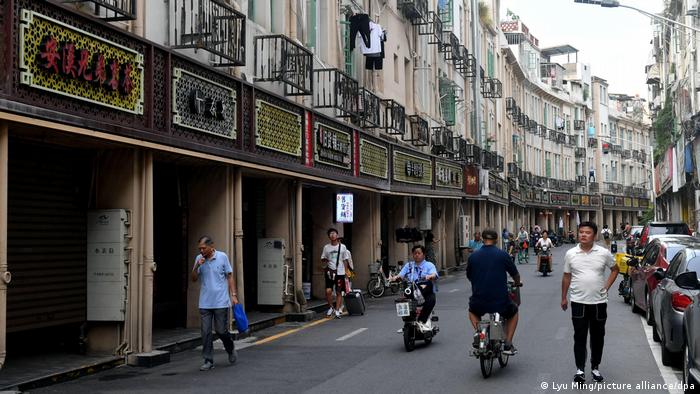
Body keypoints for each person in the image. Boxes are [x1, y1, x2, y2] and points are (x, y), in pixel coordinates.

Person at [561, 222, 619, 383]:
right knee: (579, 336)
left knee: (597, 336)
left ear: (594, 235)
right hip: (578, 302)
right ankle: (580, 369)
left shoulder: (603, 253)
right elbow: (566, 276)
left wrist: (606, 286)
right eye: (581, 232)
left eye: (587, 232)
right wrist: (564, 297)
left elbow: (615, 269)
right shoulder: (571, 254)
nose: (583, 235)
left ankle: (595, 367)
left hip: (599, 303)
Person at [467, 229, 522, 355]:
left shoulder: (473, 256)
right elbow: (515, 274)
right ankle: (508, 343)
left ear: (482, 239)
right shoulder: (502, 255)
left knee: (472, 311)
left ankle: (479, 331)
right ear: (496, 240)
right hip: (500, 301)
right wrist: (517, 282)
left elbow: (469, 276)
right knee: (513, 312)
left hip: (479, 299)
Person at [191, 236, 238, 371]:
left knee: (221, 331)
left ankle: (230, 348)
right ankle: (208, 360)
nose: (201, 250)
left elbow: (229, 276)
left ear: (211, 246)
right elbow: (193, 278)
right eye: (199, 248)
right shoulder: (198, 259)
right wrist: (197, 265)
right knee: (205, 332)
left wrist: (233, 295)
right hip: (205, 303)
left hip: (221, 302)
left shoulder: (222, 256)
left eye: (203, 248)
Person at [390, 245, 439, 332]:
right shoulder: (408, 265)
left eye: (419, 253)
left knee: (431, 299)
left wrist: (430, 276)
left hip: (425, 293)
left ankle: (422, 321)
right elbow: (401, 275)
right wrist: (395, 278)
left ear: (423, 255)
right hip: (411, 292)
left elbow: (434, 274)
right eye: (415, 253)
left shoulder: (429, 265)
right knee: (402, 301)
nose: (416, 255)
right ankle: (407, 323)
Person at [321, 228, 352, 319]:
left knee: (339, 292)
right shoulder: (326, 247)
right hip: (330, 272)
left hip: (340, 272)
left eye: (334, 233)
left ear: (337, 235)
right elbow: (323, 258)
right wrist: (325, 260)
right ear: (328, 236)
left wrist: (346, 272)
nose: (332, 235)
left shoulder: (343, 247)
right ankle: (331, 307)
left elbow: (345, 260)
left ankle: (337, 310)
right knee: (328, 291)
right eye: (330, 233)